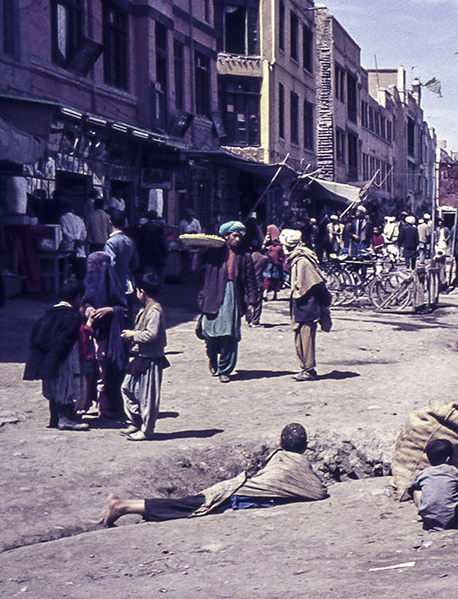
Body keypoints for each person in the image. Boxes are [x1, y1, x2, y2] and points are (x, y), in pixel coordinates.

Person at [99, 423, 328, 526]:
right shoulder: (298, 463)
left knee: (185, 503)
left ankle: (123, 503)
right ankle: (123, 507)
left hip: (234, 487)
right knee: (184, 507)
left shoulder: (277, 456)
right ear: (305, 446)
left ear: (280, 442)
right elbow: (317, 492)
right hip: (234, 496)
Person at [193, 221, 260, 383]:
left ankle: (225, 369)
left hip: (233, 298)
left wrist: (251, 302)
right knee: (210, 334)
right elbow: (195, 268)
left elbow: (251, 281)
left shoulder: (245, 256)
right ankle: (213, 359)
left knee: (229, 335)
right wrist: (201, 250)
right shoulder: (213, 252)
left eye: (240, 236)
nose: (238, 239)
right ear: (226, 236)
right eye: (235, 236)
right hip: (212, 295)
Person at [24, 278, 89, 430]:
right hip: (61, 360)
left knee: (52, 390)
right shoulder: (73, 317)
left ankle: (54, 418)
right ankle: (65, 419)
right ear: (78, 297)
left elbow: (34, 337)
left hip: (45, 359)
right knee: (65, 388)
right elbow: (65, 343)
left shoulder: (47, 314)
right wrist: (59, 360)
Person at [119, 273, 167, 441]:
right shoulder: (145, 309)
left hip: (151, 357)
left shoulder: (154, 311)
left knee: (148, 396)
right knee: (127, 388)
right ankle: (135, 421)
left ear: (142, 292)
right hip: (140, 355)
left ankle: (147, 430)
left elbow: (151, 335)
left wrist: (133, 334)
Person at [83, 251, 130, 420]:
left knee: (104, 368)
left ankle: (105, 406)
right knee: (88, 368)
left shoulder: (115, 285)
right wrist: (88, 309)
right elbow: (83, 300)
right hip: (89, 333)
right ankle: (85, 403)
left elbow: (124, 309)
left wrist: (110, 310)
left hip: (108, 335)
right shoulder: (87, 283)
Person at [281, 229, 332, 380]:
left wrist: (325, 303)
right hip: (300, 304)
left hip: (308, 306)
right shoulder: (297, 258)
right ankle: (305, 368)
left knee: (306, 339)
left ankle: (309, 369)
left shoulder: (303, 261)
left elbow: (316, 284)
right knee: (299, 339)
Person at [407, 439, 458, 531]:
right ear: (448, 459)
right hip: (451, 521)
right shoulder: (453, 470)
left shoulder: (424, 473)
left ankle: (426, 515)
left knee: (416, 489)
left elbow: (410, 488)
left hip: (429, 521)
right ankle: (457, 515)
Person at [104, 209, 139, 309]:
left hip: (115, 284)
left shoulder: (110, 243)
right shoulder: (130, 240)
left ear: (110, 222)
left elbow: (110, 266)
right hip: (129, 281)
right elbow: (135, 263)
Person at [59, 201, 88, 279]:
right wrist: (79, 240)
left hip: (67, 248)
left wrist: (74, 240)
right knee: (81, 274)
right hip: (79, 249)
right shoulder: (79, 219)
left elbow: (64, 232)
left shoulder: (62, 218)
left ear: (63, 209)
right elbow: (84, 234)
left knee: (63, 270)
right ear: (72, 209)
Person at [262, 225, 285, 301]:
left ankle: (274, 294)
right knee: (267, 278)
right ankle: (265, 293)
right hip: (269, 262)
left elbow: (278, 251)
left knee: (275, 278)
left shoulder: (278, 243)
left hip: (275, 263)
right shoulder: (268, 239)